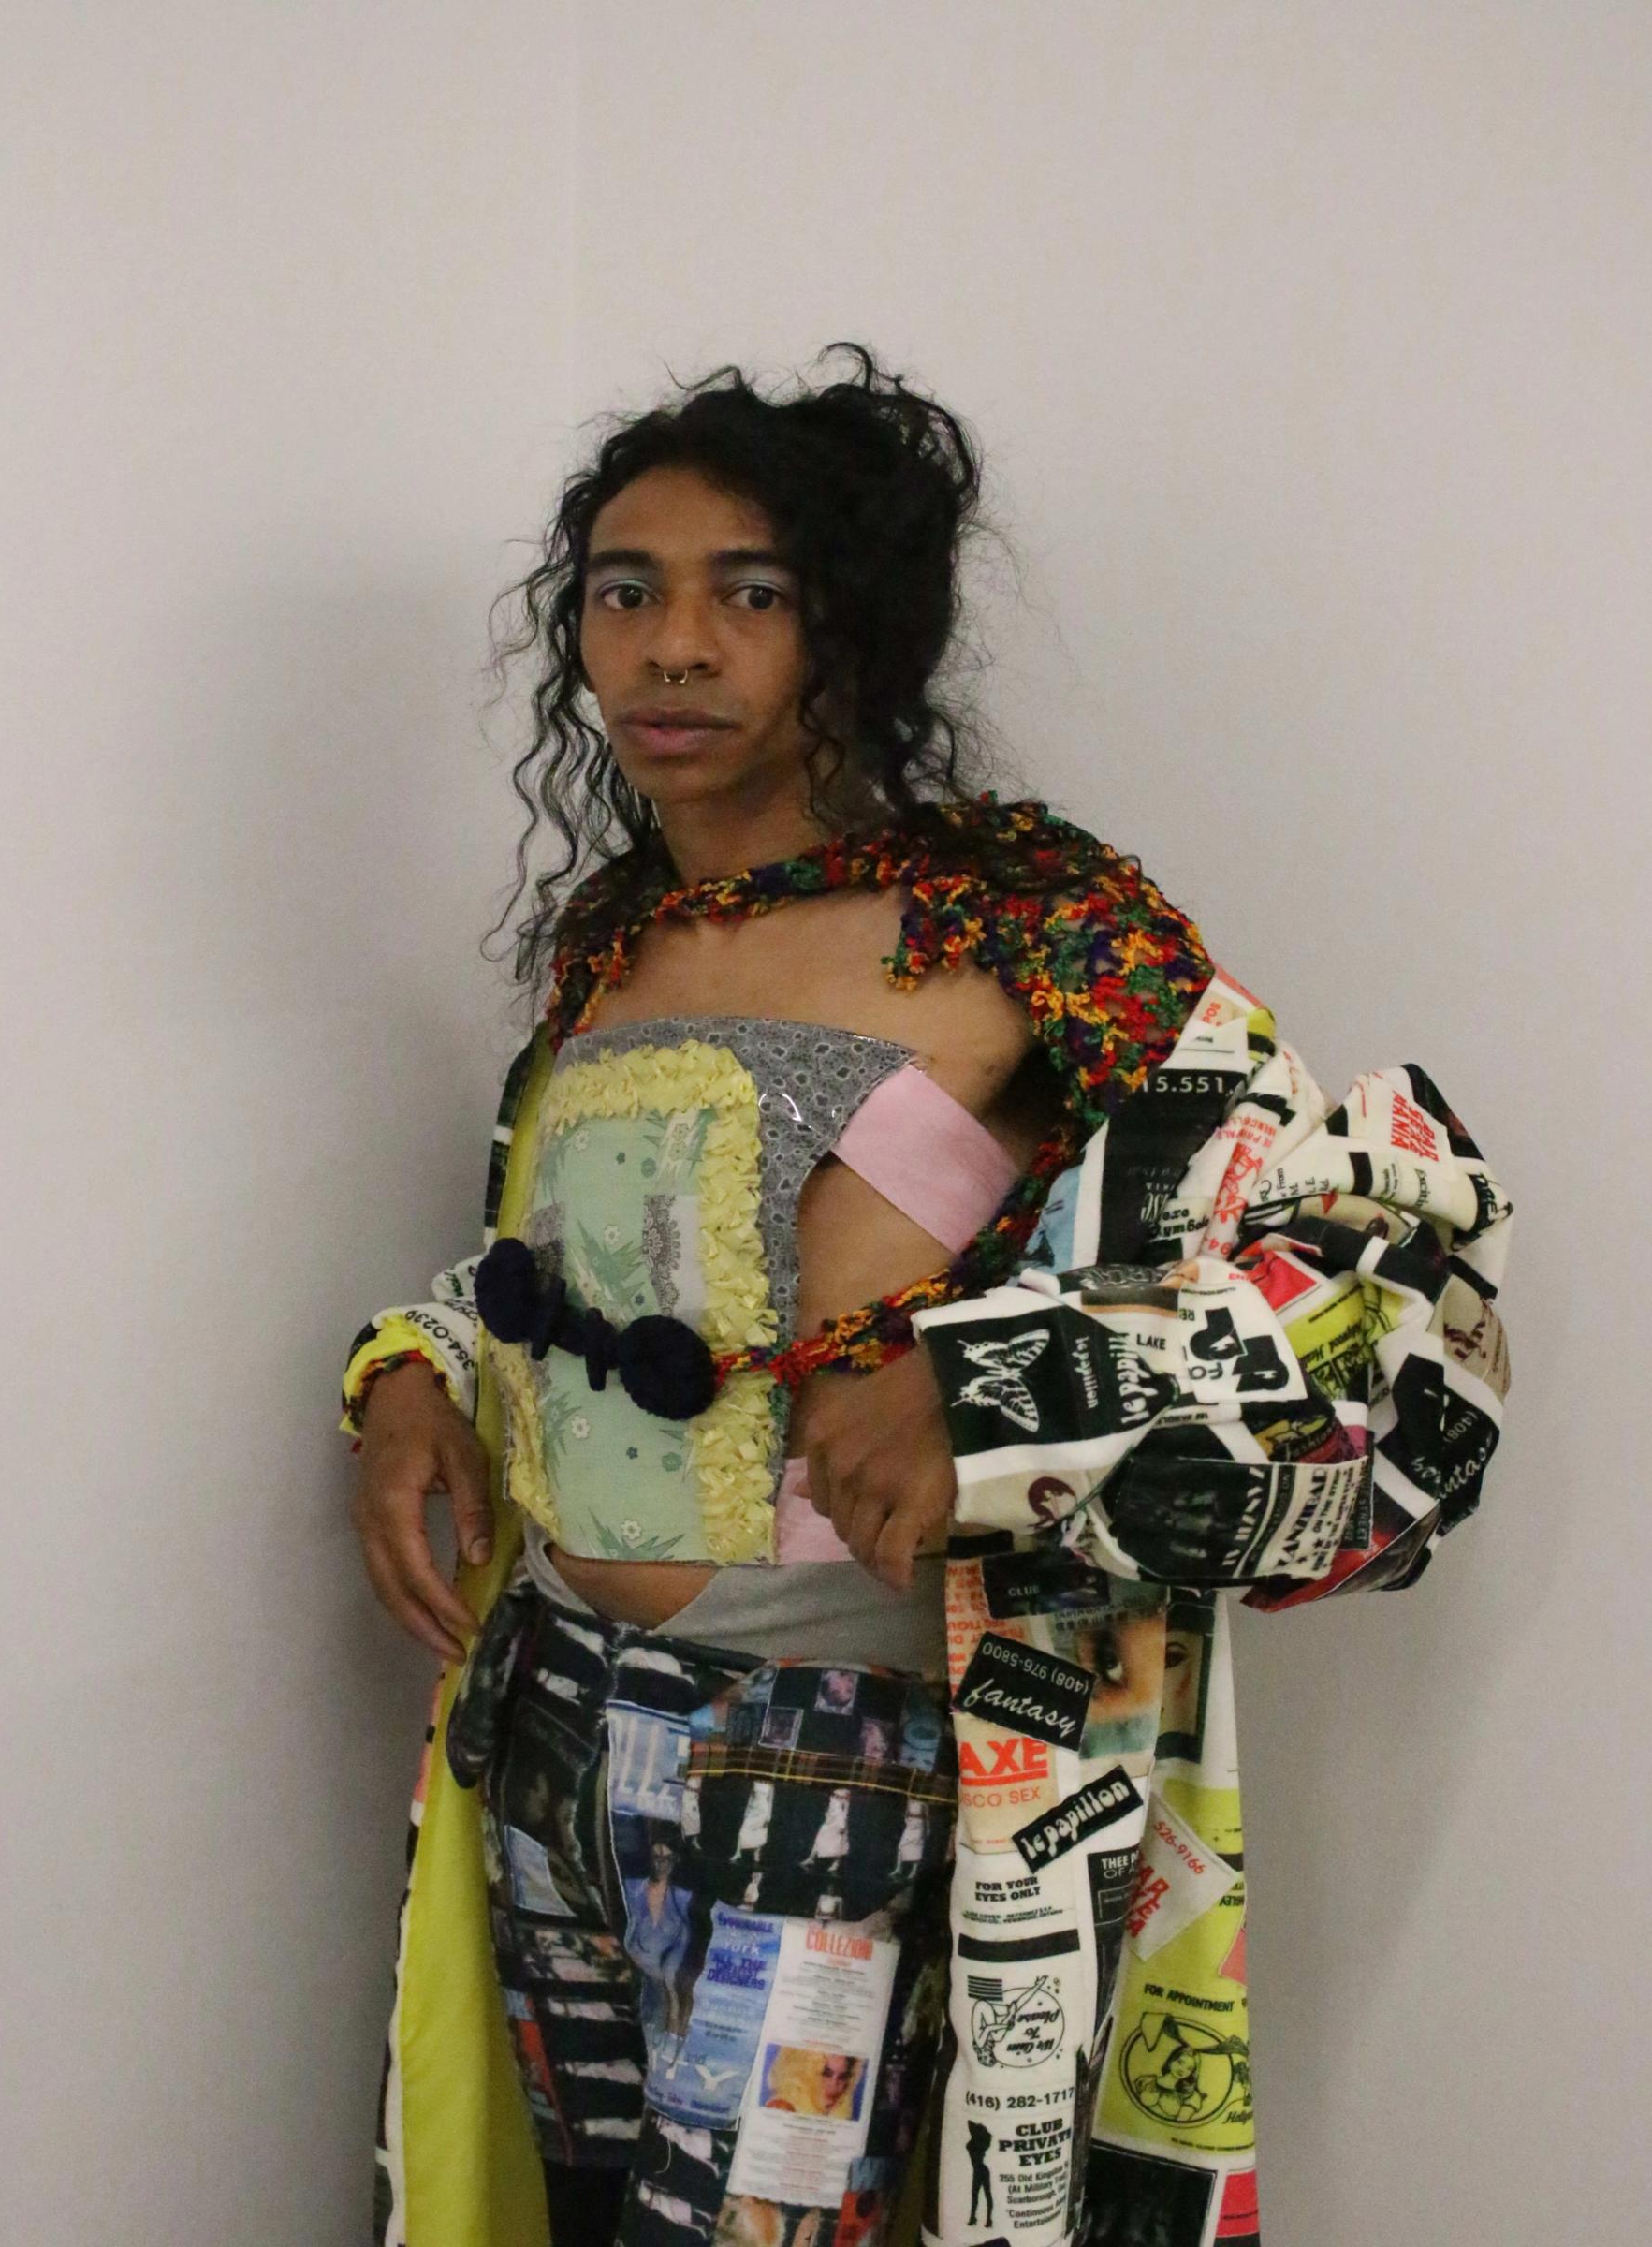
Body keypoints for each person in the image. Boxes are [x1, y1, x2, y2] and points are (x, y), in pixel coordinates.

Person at [342, 344, 1514, 2247]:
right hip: (549, 1719)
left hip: (827, 1759)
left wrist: (985, 1385)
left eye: (750, 592)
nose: (673, 646)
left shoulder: (1033, 925)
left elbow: (1384, 1270)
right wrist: (408, 1375)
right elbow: (581, 1286)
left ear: (857, 627)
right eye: (626, 590)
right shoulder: (614, 942)